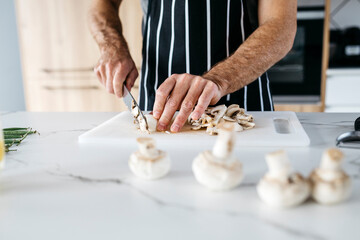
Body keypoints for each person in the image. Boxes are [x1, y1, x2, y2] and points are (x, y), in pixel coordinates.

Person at [89, 0, 297, 132]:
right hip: (158, 101)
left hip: (242, 104)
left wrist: (217, 80)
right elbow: (100, 4)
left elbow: (281, 25)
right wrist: (111, 46)